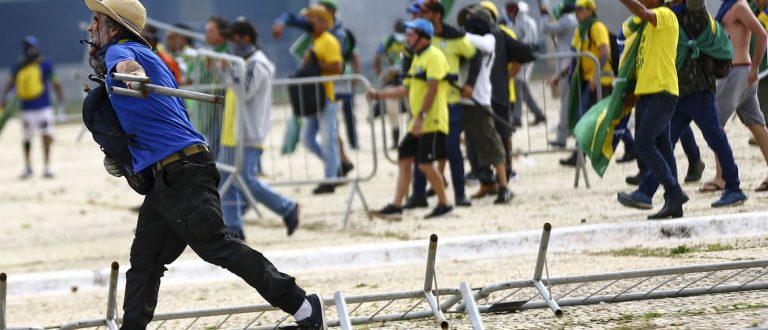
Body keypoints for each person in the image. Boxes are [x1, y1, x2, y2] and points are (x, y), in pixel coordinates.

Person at [82, 0, 326, 328]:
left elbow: (126, 67)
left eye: (96, 20)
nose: (89, 27)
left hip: (182, 171)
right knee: (145, 261)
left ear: (113, 27)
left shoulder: (121, 52)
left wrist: (130, 76)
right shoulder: (147, 55)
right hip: (166, 176)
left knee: (217, 247)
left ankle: (303, 306)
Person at [618, 0, 748, 211]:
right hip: (678, 93)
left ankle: (734, 187)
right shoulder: (668, 14)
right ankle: (648, 192)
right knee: (665, 144)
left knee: (715, 138)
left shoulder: (694, 14)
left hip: (699, 92)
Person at [217, 18, 301, 240]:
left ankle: (287, 207)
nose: (231, 44)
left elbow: (244, 92)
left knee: (246, 180)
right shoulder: (244, 62)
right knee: (227, 180)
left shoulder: (256, 63)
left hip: (249, 133)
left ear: (246, 39)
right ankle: (234, 227)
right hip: (234, 133)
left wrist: (227, 70)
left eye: (234, 39)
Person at [368, 18, 454, 220]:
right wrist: (379, 94)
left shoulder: (434, 56)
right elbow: (405, 88)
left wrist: (421, 117)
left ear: (424, 38)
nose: (407, 38)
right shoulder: (416, 58)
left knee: (424, 164)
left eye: (411, 34)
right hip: (418, 121)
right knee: (404, 158)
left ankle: (445, 204)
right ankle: (396, 207)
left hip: (430, 120)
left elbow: (432, 89)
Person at [405, 1, 480, 209]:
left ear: (437, 15)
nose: (420, 15)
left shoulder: (454, 37)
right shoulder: (419, 38)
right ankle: (419, 194)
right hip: (424, 104)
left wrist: (470, 84)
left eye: (425, 12)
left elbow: (475, 57)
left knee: (452, 150)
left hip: (449, 103)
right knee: (421, 151)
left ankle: (460, 194)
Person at [617, 0, 686, 219]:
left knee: (643, 143)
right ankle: (673, 203)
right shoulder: (647, 27)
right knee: (663, 148)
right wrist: (634, 94)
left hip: (662, 92)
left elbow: (643, 12)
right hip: (647, 93)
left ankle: (674, 192)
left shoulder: (665, 15)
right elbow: (644, 62)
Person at [710, 0, 768, 192]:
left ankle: (722, 177)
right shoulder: (728, 6)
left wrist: (755, 67)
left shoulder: (739, 6)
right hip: (736, 73)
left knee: (714, 122)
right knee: (756, 124)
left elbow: (762, 35)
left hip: (737, 73)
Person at [458, 5, 515, 204]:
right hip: (460, 100)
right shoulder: (466, 41)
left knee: (493, 145)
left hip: (479, 100)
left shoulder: (488, 40)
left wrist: (456, 34)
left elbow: (477, 41)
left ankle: (504, 186)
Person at [551, 0, 614, 167]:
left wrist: (595, 76)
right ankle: (579, 155)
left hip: (600, 81)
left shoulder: (596, 27)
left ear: (590, 10)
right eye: (576, 9)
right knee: (592, 118)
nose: (577, 12)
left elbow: (605, 52)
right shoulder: (580, 30)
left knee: (593, 118)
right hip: (586, 81)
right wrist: (560, 75)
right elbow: (575, 57)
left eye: (581, 9)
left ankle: (579, 155)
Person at [0, 36, 66, 179]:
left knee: (46, 135)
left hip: (43, 108)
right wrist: (4, 98)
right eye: (26, 47)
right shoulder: (19, 65)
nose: (28, 49)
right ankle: (28, 166)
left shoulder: (44, 64)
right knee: (27, 138)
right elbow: (10, 82)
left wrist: (61, 102)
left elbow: (55, 83)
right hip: (26, 108)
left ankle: (47, 167)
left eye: (30, 46)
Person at [297, 5, 344, 194]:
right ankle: (335, 168)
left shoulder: (328, 40)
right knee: (307, 139)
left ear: (323, 22)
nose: (307, 22)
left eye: (312, 19)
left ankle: (330, 178)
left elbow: (337, 68)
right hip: (313, 96)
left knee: (327, 139)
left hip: (326, 96)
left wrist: (317, 63)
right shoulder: (313, 41)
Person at [540, 0, 578, 149]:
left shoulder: (568, 20)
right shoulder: (574, 21)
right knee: (568, 103)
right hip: (568, 67)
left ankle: (563, 138)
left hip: (566, 69)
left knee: (566, 103)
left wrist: (544, 14)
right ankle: (564, 135)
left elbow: (545, 28)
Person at [506, 0, 547, 126]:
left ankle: (517, 118)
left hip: (525, 58)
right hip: (518, 57)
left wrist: (516, 47)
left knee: (518, 85)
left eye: (511, 8)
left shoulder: (528, 22)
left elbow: (528, 40)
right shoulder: (513, 23)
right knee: (523, 89)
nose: (509, 11)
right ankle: (539, 114)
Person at [374, 19, 409, 149]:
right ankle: (395, 141)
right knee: (392, 110)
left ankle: (410, 138)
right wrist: (381, 76)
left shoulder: (411, 39)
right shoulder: (388, 40)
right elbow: (377, 58)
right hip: (391, 80)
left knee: (412, 109)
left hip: (408, 79)